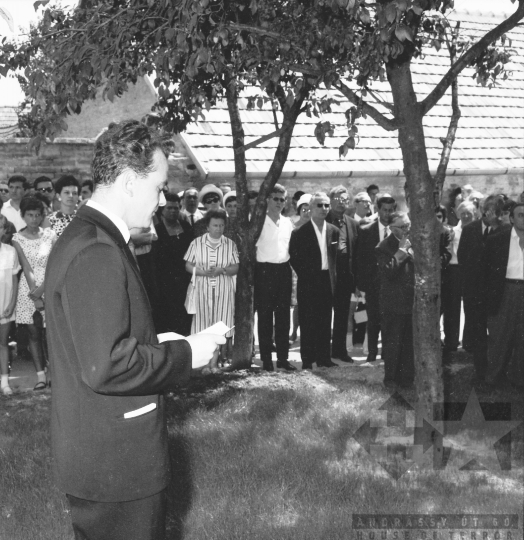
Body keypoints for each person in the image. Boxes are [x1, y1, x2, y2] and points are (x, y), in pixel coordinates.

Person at [45, 120, 224, 540]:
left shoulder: (90, 236)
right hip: (116, 466)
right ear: (128, 182)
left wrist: (157, 343)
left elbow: (93, 344)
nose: (162, 200)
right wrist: (186, 355)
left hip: (104, 458)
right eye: (158, 186)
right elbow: (107, 365)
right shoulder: (97, 249)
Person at [457, 193, 505, 384]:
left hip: (497, 293)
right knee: (477, 333)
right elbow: (462, 257)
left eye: (494, 211)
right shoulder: (470, 230)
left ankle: (497, 372)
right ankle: (480, 371)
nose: (489, 214)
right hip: (474, 292)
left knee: (497, 334)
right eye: (486, 210)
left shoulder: (505, 231)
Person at [290, 192, 339, 370]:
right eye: (319, 205)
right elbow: (293, 258)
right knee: (307, 321)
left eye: (326, 205)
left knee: (325, 321)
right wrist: (307, 274)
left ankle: (324, 358)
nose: (324, 209)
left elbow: (337, 258)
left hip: (327, 281)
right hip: (308, 281)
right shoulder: (299, 232)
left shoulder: (334, 231)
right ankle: (307, 360)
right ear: (310, 208)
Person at [184, 209, 239, 368]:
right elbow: (188, 265)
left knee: (220, 326)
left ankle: (214, 364)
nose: (218, 228)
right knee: (203, 326)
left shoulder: (230, 244)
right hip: (202, 290)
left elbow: (235, 267)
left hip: (223, 291)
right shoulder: (196, 243)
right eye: (215, 225)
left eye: (221, 225)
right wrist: (201, 272)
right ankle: (203, 365)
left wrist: (222, 270)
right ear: (207, 226)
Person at [12, 197, 57, 390]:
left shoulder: (50, 235)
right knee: (33, 334)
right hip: (28, 290)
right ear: (23, 216)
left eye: (38, 215)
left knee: (52, 334)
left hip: (50, 283)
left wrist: (44, 289)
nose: (34, 219)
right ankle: (40, 376)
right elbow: (26, 266)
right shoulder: (17, 238)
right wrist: (36, 294)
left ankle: (55, 375)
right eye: (30, 215)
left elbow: (54, 264)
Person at [254, 184, 295, 372]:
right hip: (264, 271)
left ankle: (283, 359)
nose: (279, 203)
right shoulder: (258, 221)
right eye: (276, 198)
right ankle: (266, 360)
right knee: (264, 317)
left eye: (282, 199)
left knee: (283, 317)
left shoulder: (287, 223)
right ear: (268, 200)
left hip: (283, 272)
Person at [484, 203, 524, 388]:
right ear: (512, 218)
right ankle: (492, 379)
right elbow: (485, 271)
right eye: (521, 215)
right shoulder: (497, 239)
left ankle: (519, 379)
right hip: (505, 291)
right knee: (499, 336)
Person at [376, 211, 415, 389]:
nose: (407, 229)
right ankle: (390, 379)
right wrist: (401, 251)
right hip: (393, 303)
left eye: (408, 225)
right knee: (393, 343)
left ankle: (407, 379)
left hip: (411, 302)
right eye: (403, 227)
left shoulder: (413, 242)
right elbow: (389, 272)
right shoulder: (383, 247)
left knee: (409, 343)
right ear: (392, 229)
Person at [355, 195, 397, 363]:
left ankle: (387, 354)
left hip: (394, 284)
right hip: (373, 284)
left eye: (390, 210)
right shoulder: (366, 231)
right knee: (373, 320)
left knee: (390, 321)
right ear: (378, 210)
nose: (387, 214)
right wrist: (360, 284)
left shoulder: (398, 231)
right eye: (384, 210)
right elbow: (360, 259)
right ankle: (372, 353)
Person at [151, 193, 194, 335]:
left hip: (186, 282)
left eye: (176, 208)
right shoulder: (157, 231)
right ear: (162, 210)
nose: (173, 211)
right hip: (165, 286)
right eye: (169, 208)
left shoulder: (187, 228)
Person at [326, 185, 358, 363]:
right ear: (330, 201)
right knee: (323, 314)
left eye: (345, 200)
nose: (341, 203)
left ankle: (339, 350)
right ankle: (322, 351)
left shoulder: (352, 224)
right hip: (327, 275)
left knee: (342, 314)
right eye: (337, 199)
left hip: (345, 275)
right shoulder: (324, 220)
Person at [441, 200, 477, 353]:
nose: (466, 216)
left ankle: (469, 341)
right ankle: (451, 341)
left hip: (472, 271)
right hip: (454, 271)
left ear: (474, 214)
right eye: (463, 213)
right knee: (452, 307)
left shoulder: (478, 231)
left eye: (469, 213)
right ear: (457, 214)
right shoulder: (452, 231)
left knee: (471, 307)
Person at [0, 215, 20, 396]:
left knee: (3, 343)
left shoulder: (10, 252)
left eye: (0, 227)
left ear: (4, 230)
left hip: (4, 305)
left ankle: (4, 382)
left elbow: (14, 282)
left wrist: (11, 304)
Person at [289, 194, 311, 343]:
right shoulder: (293, 226)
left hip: (312, 269)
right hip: (295, 269)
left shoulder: (317, 226)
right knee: (297, 303)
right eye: (304, 209)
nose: (307, 212)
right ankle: (294, 330)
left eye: (310, 209)